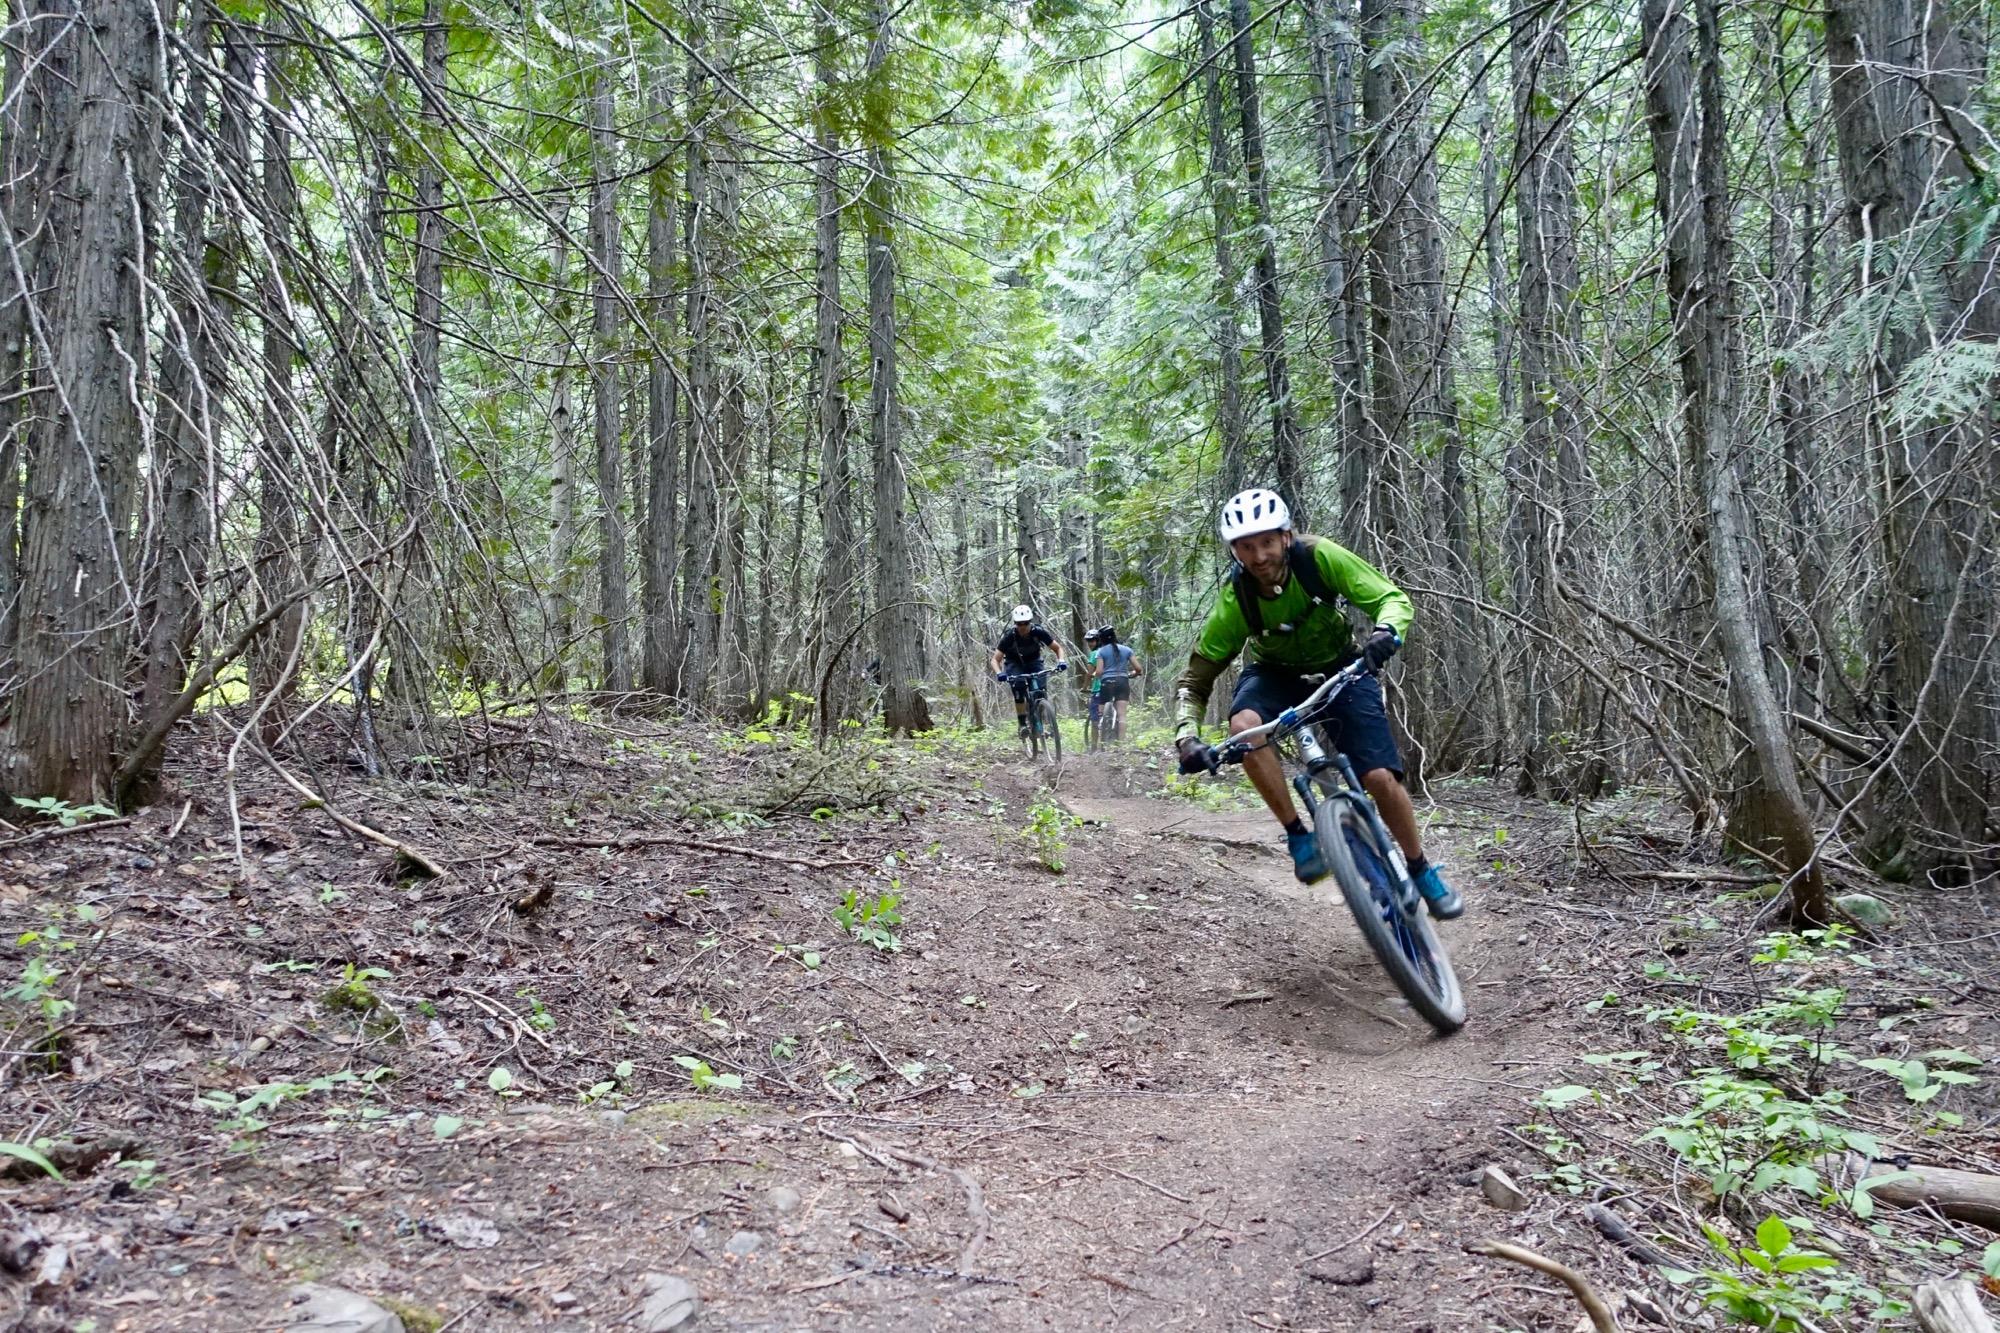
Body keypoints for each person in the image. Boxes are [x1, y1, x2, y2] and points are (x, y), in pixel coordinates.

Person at [1171, 488, 1463, 918]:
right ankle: (1298, 836)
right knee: (1244, 726)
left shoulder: (1320, 558)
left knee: (1380, 777)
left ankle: (1419, 868)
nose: (1259, 557)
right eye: (1246, 547)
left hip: (1342, 667)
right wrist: (1186, 737)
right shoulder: (1237, 600)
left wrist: (1386, 632)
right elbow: (1196, 680)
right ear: (1234, 551)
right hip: (1275, 674)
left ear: (1286, 537)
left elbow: (1391, 598)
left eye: (1266, 542)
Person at [990, 604, 1067, 738]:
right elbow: (995, 659)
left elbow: (1057, 648)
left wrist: (1061, 661)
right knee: (1019, 689)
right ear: (1015, 624)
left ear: (1030, 622)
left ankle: (1046, 721)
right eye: (1019, 624)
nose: (1023, 626)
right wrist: (999, 673)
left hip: (1034, 661)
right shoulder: (1009, 636)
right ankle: (1022, 724)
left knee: (1040, 690)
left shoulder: (1038, 632)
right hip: (1014, 663)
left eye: (1025, 623)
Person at [1090, 625, 1142, 742]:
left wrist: (1098, 676)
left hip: (1106, 683)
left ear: (1101, 639)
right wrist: (1133, 674)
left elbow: (1099, 671)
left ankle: (1102, 736)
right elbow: (1138, 669)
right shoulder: (1127, 650)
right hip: (1122, 682)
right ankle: (1121, 743)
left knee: (1101, 713)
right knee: (1122, 714)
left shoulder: (1101, 652)